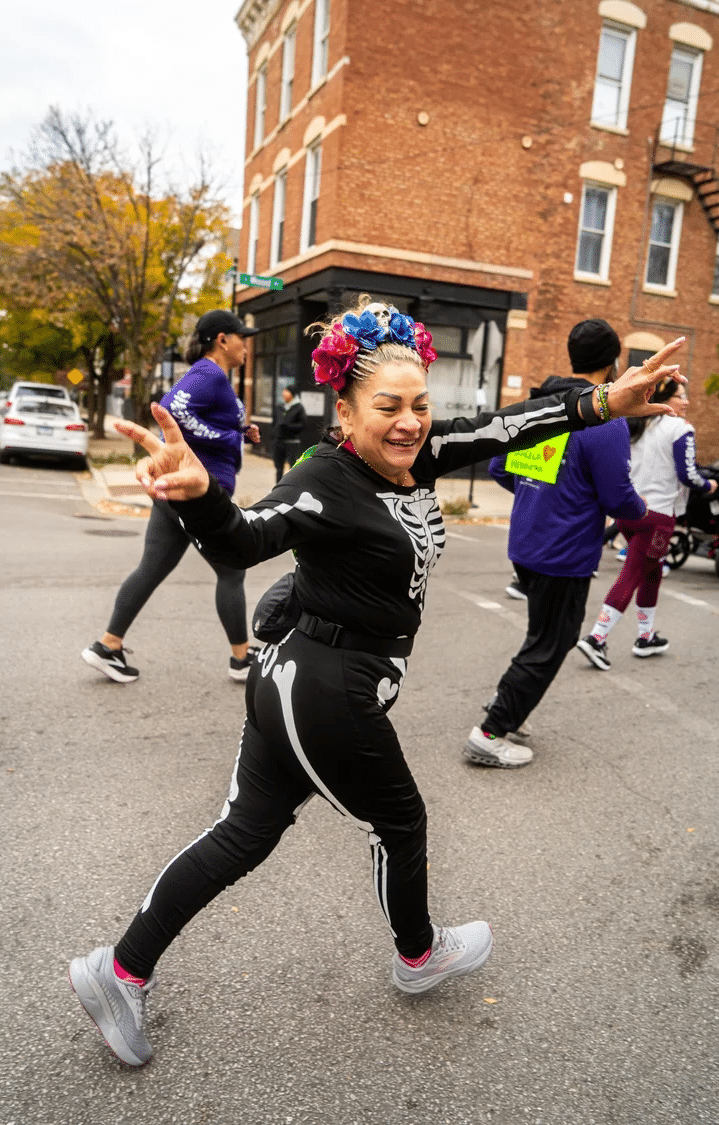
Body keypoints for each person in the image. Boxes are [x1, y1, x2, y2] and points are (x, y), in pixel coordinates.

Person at [68, 297, 684, 1067]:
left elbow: (505, 425)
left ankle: (119, 969)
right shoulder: (324, 477)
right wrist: (201, 498)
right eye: (388, 406)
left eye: (420, 404)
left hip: (299, 682)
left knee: (244, 834)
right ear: (347, 410)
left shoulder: (414, 455)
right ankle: (418, 954)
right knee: (401, 820)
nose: (409, 421)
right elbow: (246, 537)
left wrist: (603, 402)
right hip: (325, 691)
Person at [464, 319, 647, 769]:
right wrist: (643, 514)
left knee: (540, 635)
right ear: (613, 362)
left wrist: (539, 498)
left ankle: (511, 700)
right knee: (554, 641)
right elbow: (617, 496)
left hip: (526, 543)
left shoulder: (539, 404)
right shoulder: (604, 419)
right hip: (563, 552)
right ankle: (491, 731)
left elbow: (500, 469)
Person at [81, 310, 263, 685]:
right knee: (231, 570)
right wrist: (227, 438)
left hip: (177, 489)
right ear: (222, 340)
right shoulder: (209, 372)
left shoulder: (211, 376)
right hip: (198, 492)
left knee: (152, 568)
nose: (246, 344)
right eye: (240, 336)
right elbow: (174, 410)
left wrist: (240, 433)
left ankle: (108, 646)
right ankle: (241, 659)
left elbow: (200, 420)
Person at [577, 376, 717, 669]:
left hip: (630, 510)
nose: (687, 401)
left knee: (651, 574)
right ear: (666, 398)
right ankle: (596, 638)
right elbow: (687, 475)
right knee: (633, 573)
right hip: (658, 517)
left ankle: (646, 636)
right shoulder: (680, 428)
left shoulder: (637, 424)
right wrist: (708, 486)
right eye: (681, 395)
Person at [272, 385, 307, 482]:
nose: (284, 393)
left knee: (293, 467)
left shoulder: (299, 407)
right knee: (279, 467)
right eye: (284, 391)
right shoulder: (279, 407)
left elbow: (303, 425)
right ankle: (278, 488)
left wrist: (288, 426)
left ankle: (292, 487)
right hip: (279, 441)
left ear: (292, 394)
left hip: (292, 441)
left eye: (287, 391)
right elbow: (274, 423)